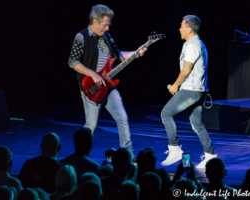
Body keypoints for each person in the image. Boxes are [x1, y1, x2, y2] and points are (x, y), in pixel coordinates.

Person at [68, 4, 147, 161]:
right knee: (91, 126)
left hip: (110, 87)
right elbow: (72, 61)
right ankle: (80, 157)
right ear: (95, 22)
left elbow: (118, 56)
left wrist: (135, 53)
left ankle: (129, 154)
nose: (108, 28)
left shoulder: (107, 38)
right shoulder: (81, 36)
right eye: (105, 25)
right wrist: (93, 75)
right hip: (91, 88)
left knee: (122, 118)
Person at [161, 15, 216, 168]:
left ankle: (175, 149)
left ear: (189, 29)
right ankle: (210, 155)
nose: (179, 29)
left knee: (166, 113)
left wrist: (175, 85)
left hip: (191, 91)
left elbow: (186, 70)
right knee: (197, 124)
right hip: (198, 91)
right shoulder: (196, 43)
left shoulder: (192, 45)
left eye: (182, 26)